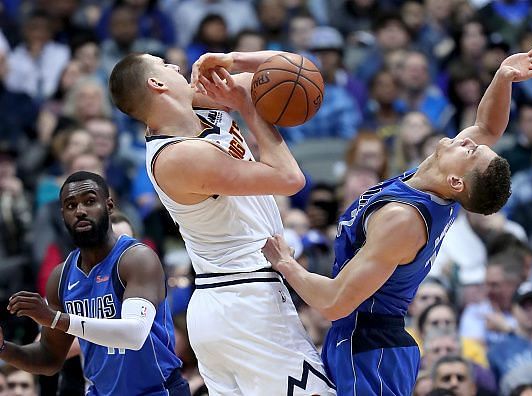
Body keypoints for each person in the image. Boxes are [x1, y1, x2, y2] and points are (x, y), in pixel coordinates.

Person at [262, 42, 532, 395]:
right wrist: (504, 77)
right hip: (367, 341)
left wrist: (286, 264)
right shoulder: (436, 178)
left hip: (369, 347)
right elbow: (488, 127)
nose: (470, 141)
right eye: (473, 144)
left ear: (457, 181)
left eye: (472, 152)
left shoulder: (403, 219)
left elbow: (336, 302)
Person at [108, 50, 335, 395]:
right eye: (163, 64)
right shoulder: (179, 156)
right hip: (244, 300)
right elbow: (289, 178)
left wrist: (235, 59)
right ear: (156, 83)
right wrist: (246, 107)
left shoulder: (197, 102)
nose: (175, 65)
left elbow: (293, 70)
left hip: (232, 301)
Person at [0, 171, 190, 395]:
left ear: (109, 206)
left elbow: (134, 334)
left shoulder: (136, 258)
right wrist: (3, 348)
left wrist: (55, 319)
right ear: (63, 215)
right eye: (71, 206)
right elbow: (49, 358)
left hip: (157, 390)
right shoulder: (61, 277)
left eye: (90, 201)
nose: (80, 211)